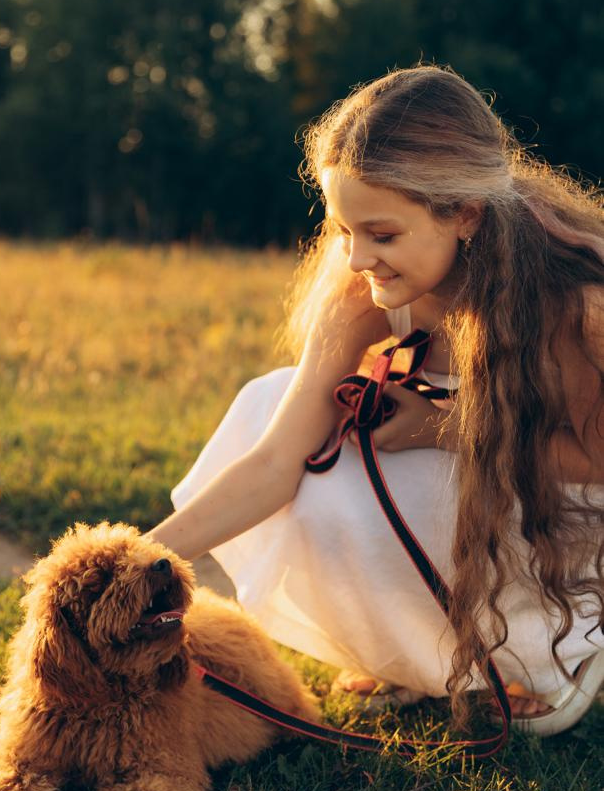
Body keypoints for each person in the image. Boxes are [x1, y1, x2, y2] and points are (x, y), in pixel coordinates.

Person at [148, 65, 604, 735]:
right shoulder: (360, 287)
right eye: (341, 230)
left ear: (465, 215)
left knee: (448, 477)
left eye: (381, 234)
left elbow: (595, 463)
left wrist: (447, 427)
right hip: (464, 469)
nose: (357, 257)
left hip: (557, 508)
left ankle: (555, 648)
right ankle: (415, 658)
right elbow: (275, 457)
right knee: (274, 410)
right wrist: (133, 563)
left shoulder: (572, 308)